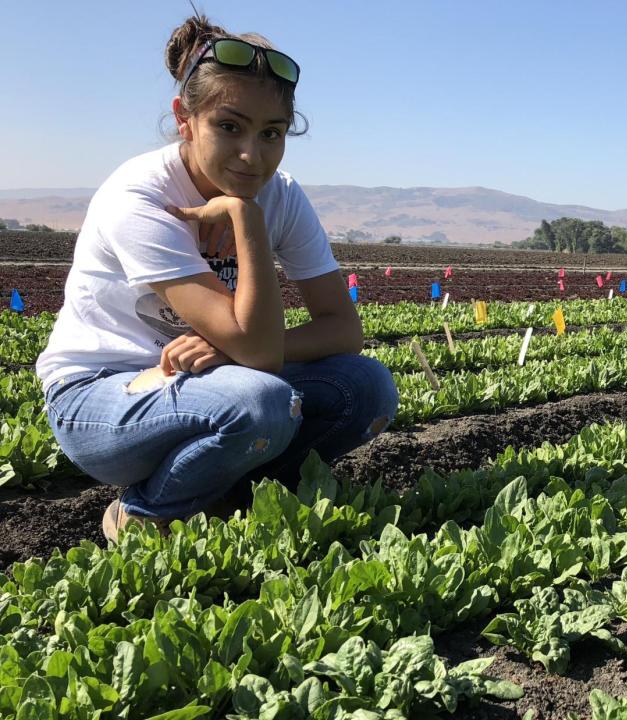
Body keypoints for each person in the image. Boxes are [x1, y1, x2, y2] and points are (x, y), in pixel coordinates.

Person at [35, 12, 399, 544]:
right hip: (100, 398)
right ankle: (146, 511)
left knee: (367, 388)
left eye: (271, 134)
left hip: (211, 383)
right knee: (261, 402)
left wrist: (228, 353)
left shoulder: (283, 194)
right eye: (229, 127)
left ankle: (237, 491)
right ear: (185, 117)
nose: (253, 156)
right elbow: (258, 353)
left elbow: (344, 329)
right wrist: (247, 223)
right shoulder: (141, 195)